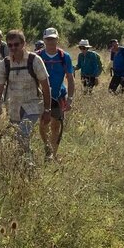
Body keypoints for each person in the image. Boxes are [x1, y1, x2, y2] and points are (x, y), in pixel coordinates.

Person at [0, 30, 51, 162]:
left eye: (16, 44)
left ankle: (28, 165)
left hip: (33, 106)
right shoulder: (5, 64)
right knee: (19, 139)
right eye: (10, 45)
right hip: (14, 108)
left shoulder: (34, 60)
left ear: (23, 44)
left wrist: (47, 110)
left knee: (22, 133)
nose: (13, 48)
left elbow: (46, 87)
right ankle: (24, 166)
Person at [36, 27, 75, 161]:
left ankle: (53, 153)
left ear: (57, 39)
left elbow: (70, 78)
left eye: (53, 39)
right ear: (44, 39)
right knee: (42, 124)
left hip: (59, 96)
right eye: (48, 39)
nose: (51, 42)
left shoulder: (64, 57)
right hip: (42, 96)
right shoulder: (38, 56)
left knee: (56, 125)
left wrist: (70, 99)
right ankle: (47, 147)